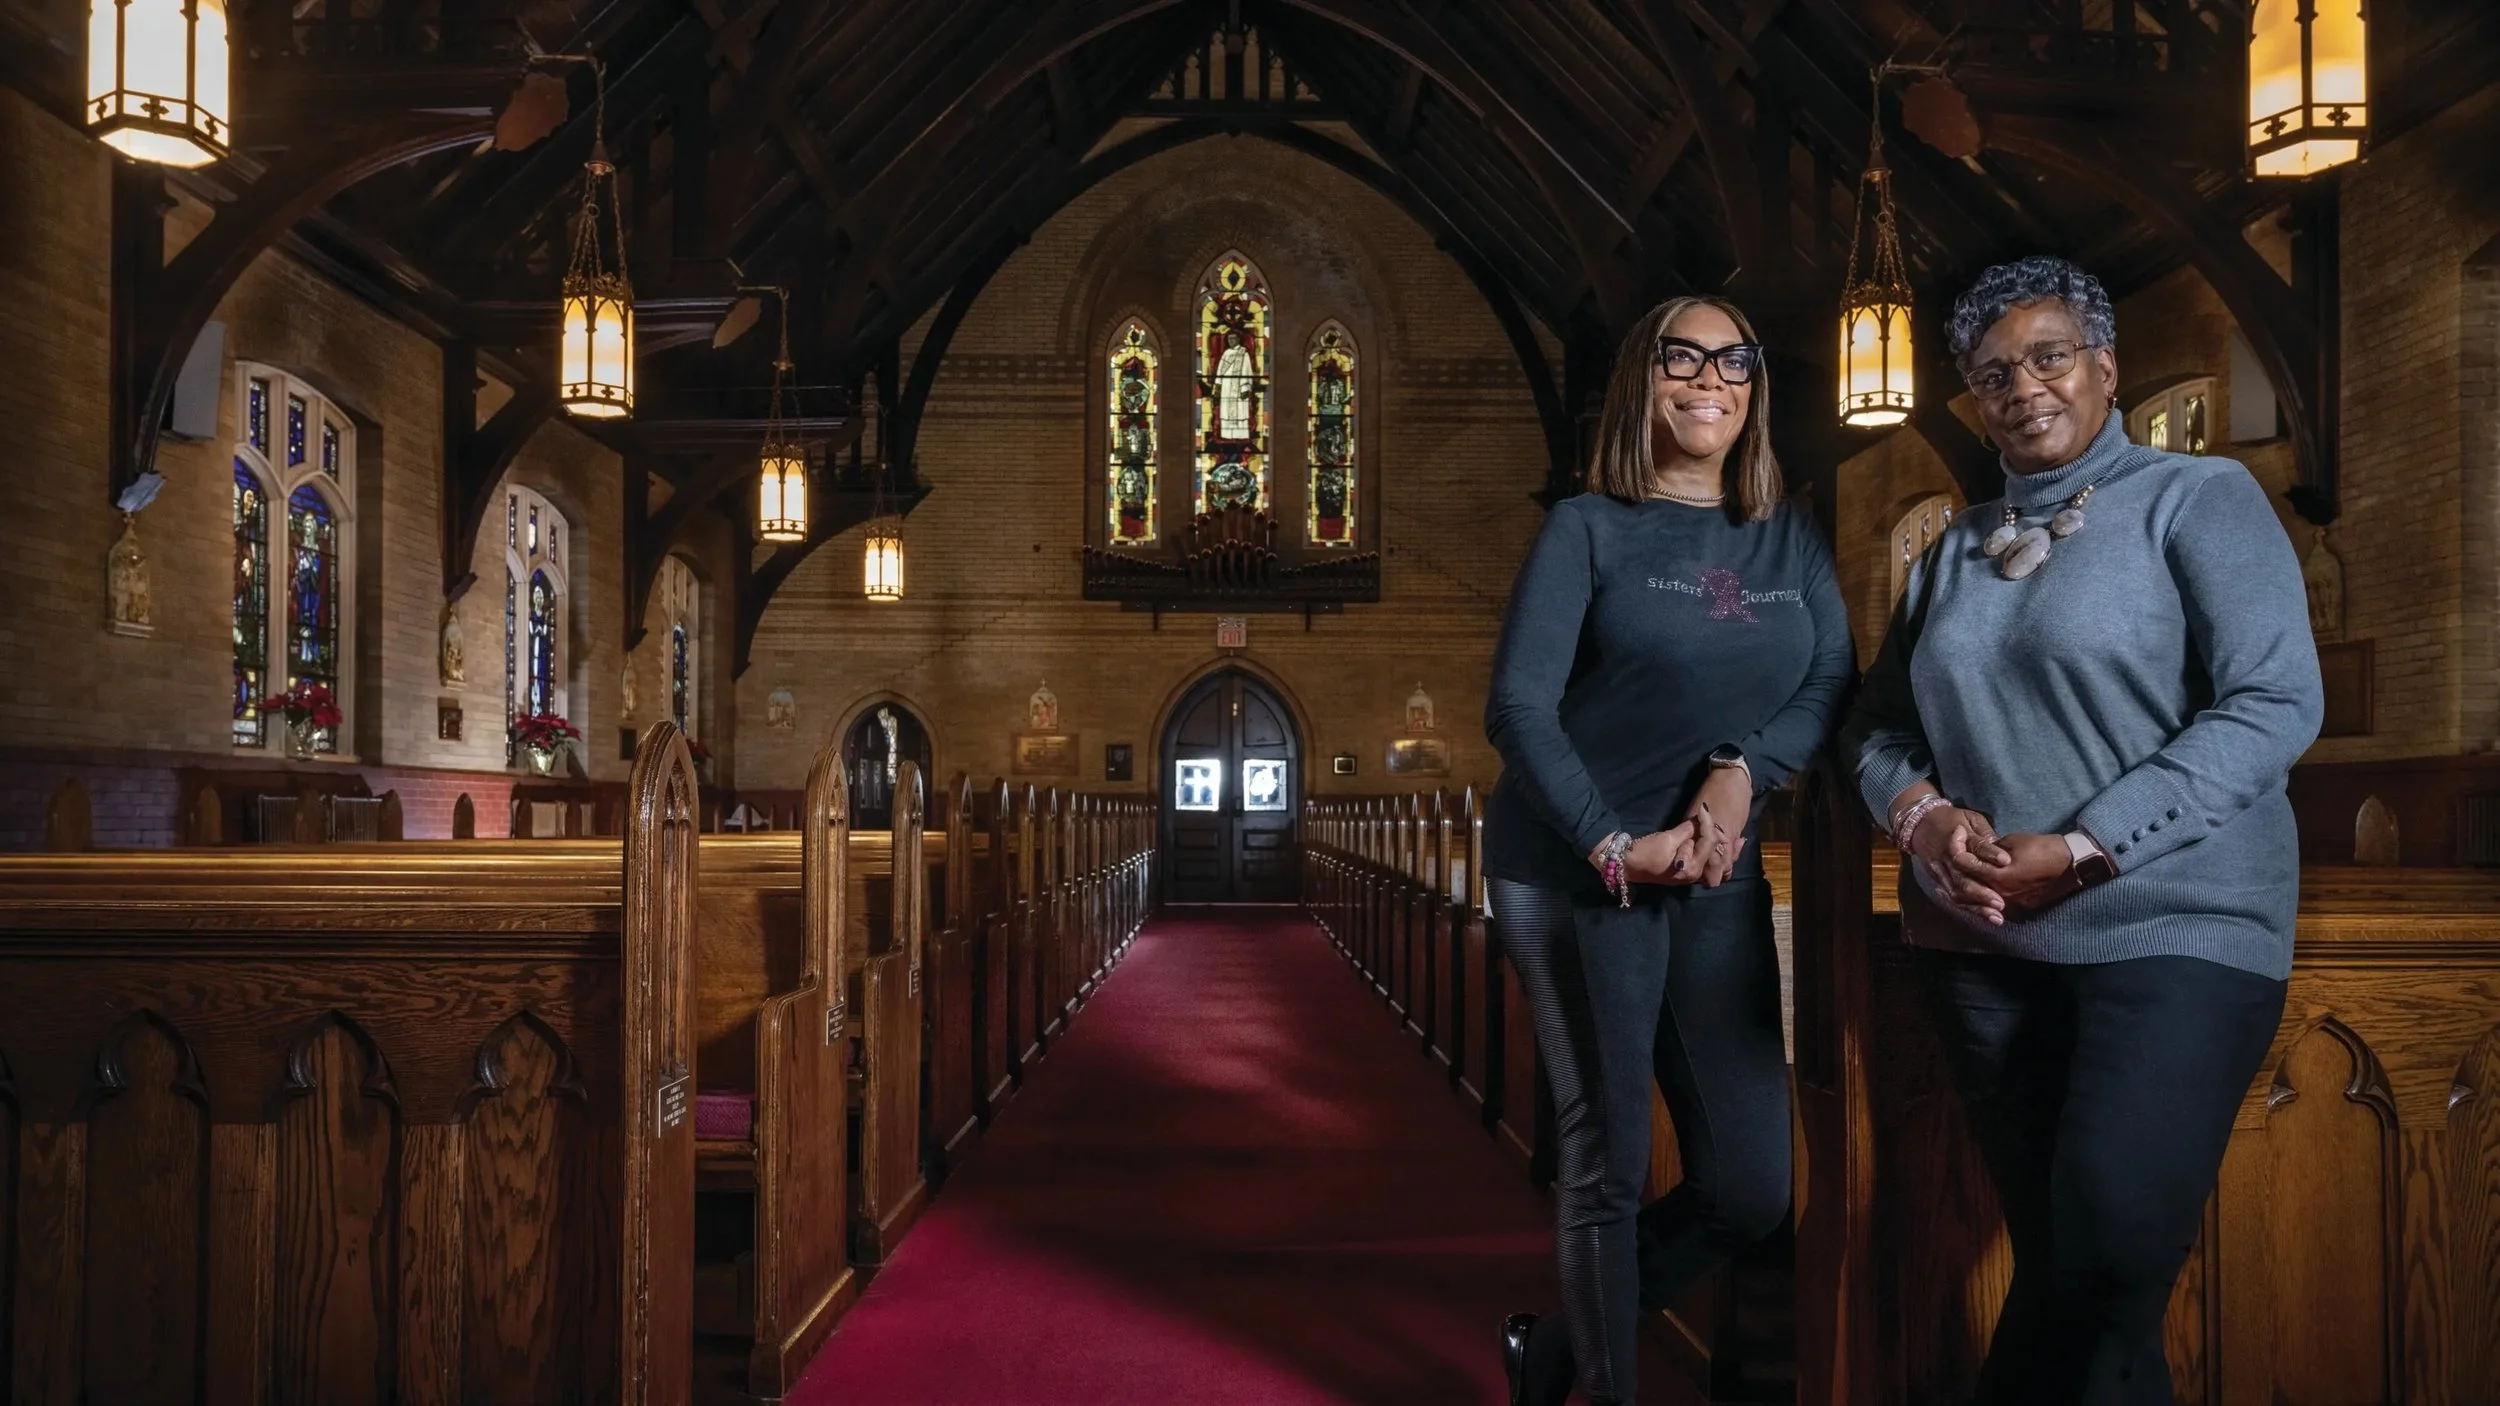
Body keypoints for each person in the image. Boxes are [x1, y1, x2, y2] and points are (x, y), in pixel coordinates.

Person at [1838, 255, 2322, 1405]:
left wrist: (2086, 843)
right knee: (2079, 1280)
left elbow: (2273, 701)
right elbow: (1872, 726)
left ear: (2105, 364)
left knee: (2101, 1258)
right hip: (1984, 947)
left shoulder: (2196, 498)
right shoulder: (1951, 550)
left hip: (2176, 930)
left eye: (2048, 356)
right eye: (1992, 373)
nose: (2023, 387)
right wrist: (1920, 815)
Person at [1483, 295, 1854, 1405]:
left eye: (1733, 360)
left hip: (1712, 873)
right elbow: (1517, 708)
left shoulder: (1788, 533)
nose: (1708, 379)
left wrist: (1743, 769)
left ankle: (1553, 1350)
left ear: (1755, 387)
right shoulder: (1587, 527)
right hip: (1576, 869)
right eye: (1680, 357)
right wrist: (1609, 844)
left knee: (1750, 1187)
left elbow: (1829, 680)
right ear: (1641, 381)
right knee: (1608, 1159)